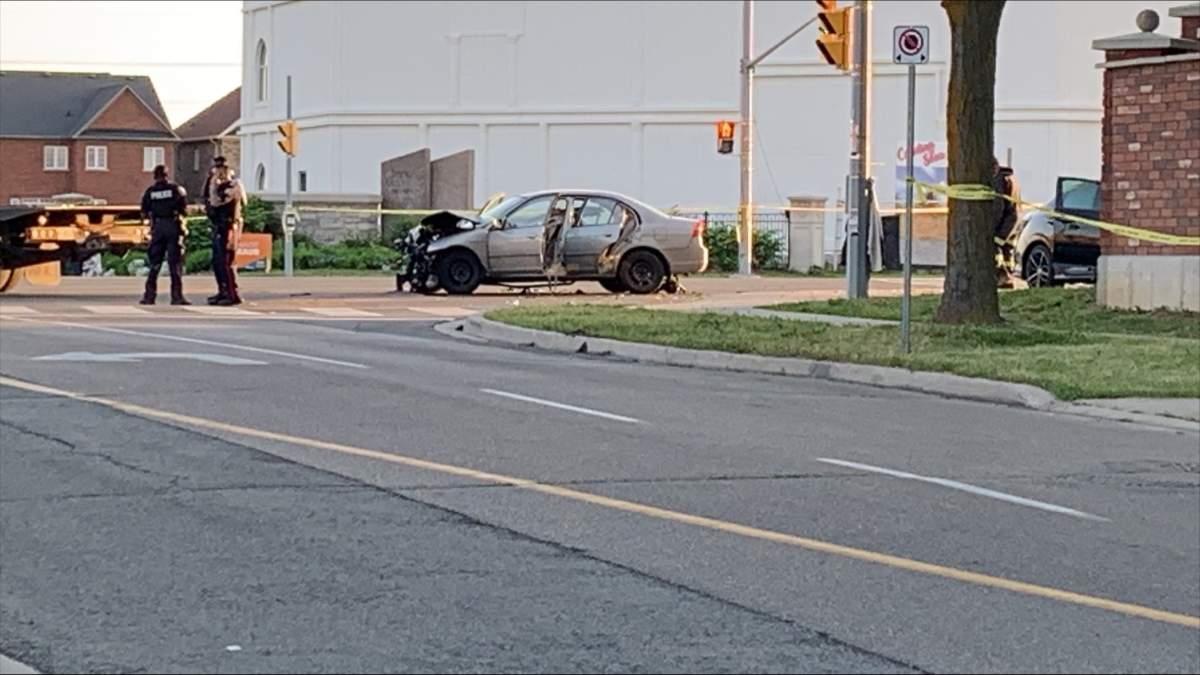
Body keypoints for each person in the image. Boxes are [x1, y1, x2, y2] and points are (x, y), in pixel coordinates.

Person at [140, 165, 190, 305]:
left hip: (158, 228)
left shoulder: (150, 192)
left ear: (155, 176)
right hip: (173, 227)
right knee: (175, 264)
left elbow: (144, 211)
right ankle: (177, 297)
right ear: (167, 175)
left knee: (155, 263)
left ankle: (149, 296)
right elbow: (184, 209)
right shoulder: (175, 189)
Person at [206, 163, 246, 305]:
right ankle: (222, 291)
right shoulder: (219, 186)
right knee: (218, 263)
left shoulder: (233, 186)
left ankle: (232, 294)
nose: (217, 173)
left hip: (229, 227)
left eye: (220, 169)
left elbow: (217, 202)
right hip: (220, 227)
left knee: (226, 262)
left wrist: (212, 185)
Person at [992, 158, 1020, 288]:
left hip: (1004, 224)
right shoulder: (1010, 179)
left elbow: (998, 208)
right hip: (1012, 223)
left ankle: (1004, 277)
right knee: (1007, 252)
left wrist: (995, 232)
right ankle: (1008, 277)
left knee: (997, 250)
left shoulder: (999, 181)